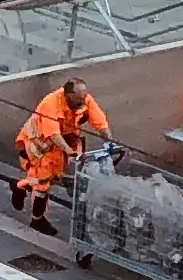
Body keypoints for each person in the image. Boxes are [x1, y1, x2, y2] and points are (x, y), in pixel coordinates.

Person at [9, 79, 112, 232]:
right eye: (79, 99)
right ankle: (37, 219)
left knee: (52, 177)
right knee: (42, 182)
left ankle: (19, 186)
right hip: (40, 143)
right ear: (68, 94)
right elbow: (53, 134)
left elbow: (97, 117)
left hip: (64, 142)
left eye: (84, 97)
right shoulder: (50, 104)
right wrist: (69, 151)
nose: (83, 101)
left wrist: (105, 133)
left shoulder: (83, 98)